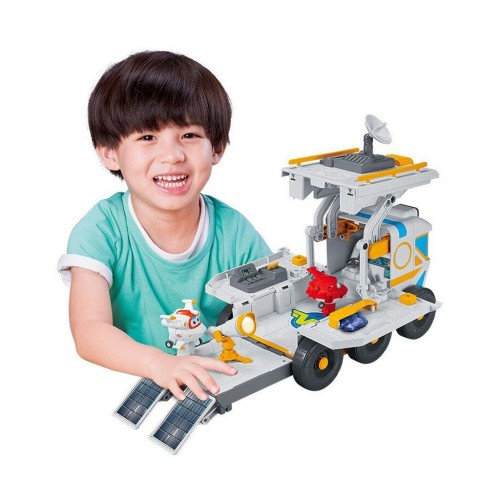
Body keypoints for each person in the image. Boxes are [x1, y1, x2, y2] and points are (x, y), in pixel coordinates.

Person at [58, 51, 271, 401]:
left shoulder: (234, 230)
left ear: (217, 148)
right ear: (109, 152)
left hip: (218, 379)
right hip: (125, 382)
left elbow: (270, 304)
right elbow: (89, 332)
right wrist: (159, 364)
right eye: (147, 137)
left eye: (189, 135)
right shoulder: (99, 230)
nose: (172, 155)